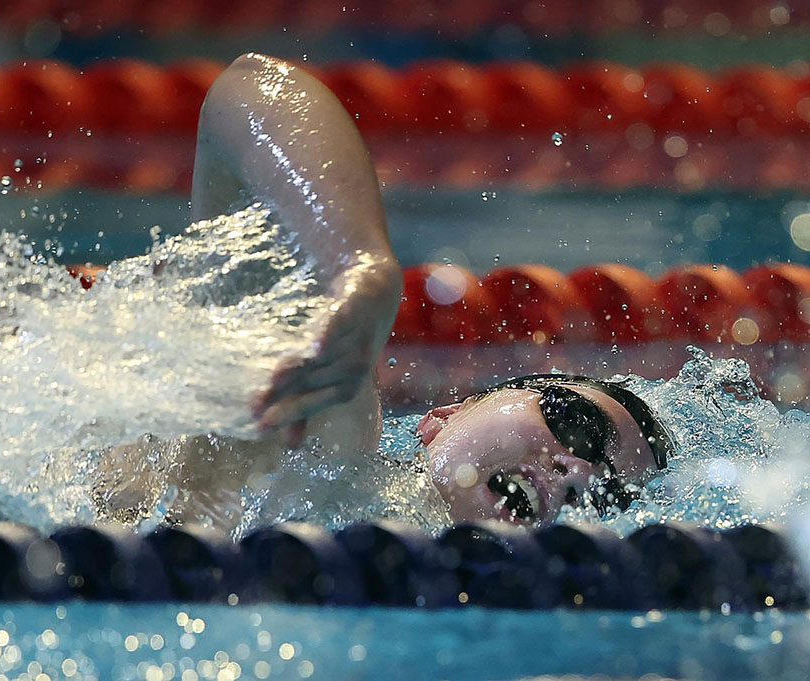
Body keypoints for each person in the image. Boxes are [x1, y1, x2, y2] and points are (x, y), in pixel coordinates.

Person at [107, 53, 674, 529]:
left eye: (607, 497)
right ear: (445, 415)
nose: (577, 473)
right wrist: (360, 266)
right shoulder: (326, 446)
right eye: (580, 427)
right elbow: (246, 91)